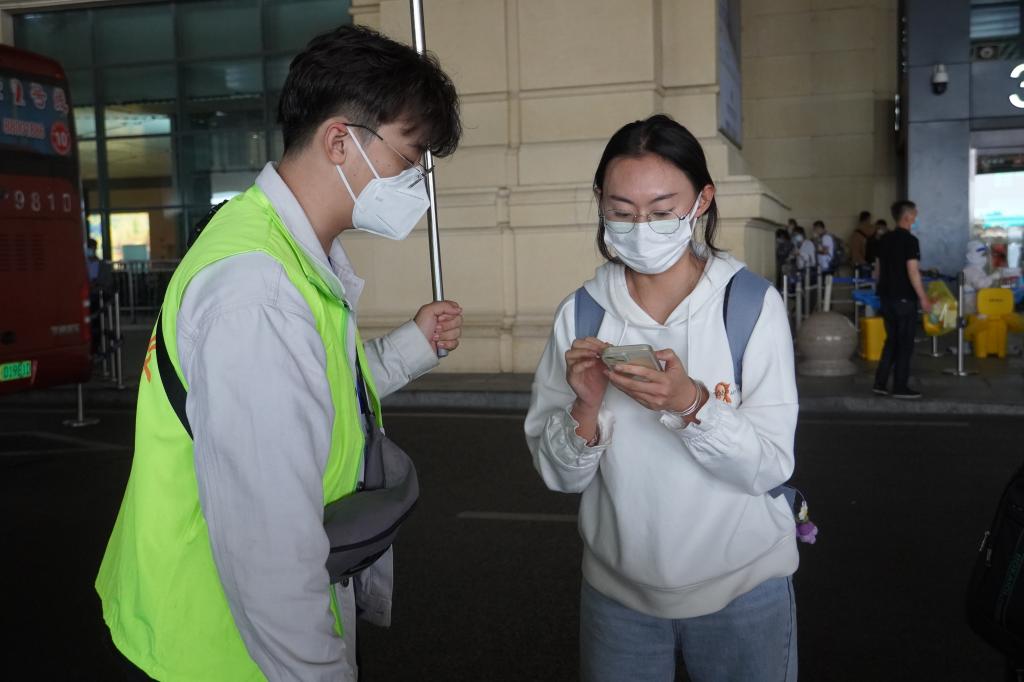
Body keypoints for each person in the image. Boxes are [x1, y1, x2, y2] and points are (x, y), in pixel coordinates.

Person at [96, 25, 463, 681]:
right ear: (340, 141)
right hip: (219, 651)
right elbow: (269, 556)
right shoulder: (259, 294)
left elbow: (314, 398)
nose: (417, 185)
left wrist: (411, 347)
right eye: (410, 161)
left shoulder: (279, 248)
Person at [525, 115, 799, 682]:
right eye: (622, 211)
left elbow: (770, 465)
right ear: (600, 203)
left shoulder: (750, 305)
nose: (641, 228)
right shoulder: (581, 314)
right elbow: (560, 477)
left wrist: (692, 404)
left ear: (702, 201)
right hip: (618, 600)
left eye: (661, 210)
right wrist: (584, 407)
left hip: (745, 593)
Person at [872, 200, 932, 399]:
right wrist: (923, 298)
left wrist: (882, 289)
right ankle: (900, 386)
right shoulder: (910, 241)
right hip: (904, 298)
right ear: (907, 216)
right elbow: (912, 271)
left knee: (891, 341)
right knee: (905, 343)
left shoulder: (884, 239)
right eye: (914, 213)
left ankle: (880, 383)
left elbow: (877, 270)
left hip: (886, 297)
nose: (916, 216)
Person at [962, 240, 997, 316]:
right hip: (971, 308)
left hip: (978, 306)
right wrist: (993, 277)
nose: (984, 258)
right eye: (981, 255)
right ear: (970, 256)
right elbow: (979, 284)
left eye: (984, 255)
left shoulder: (977, 269)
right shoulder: (969, 270)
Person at [849, 211, 876, 278]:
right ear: (868, 219)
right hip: (870, 263)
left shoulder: (855, 234)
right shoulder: (873, 229)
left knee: (859, 283)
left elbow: (854, 252)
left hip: (859, 263)